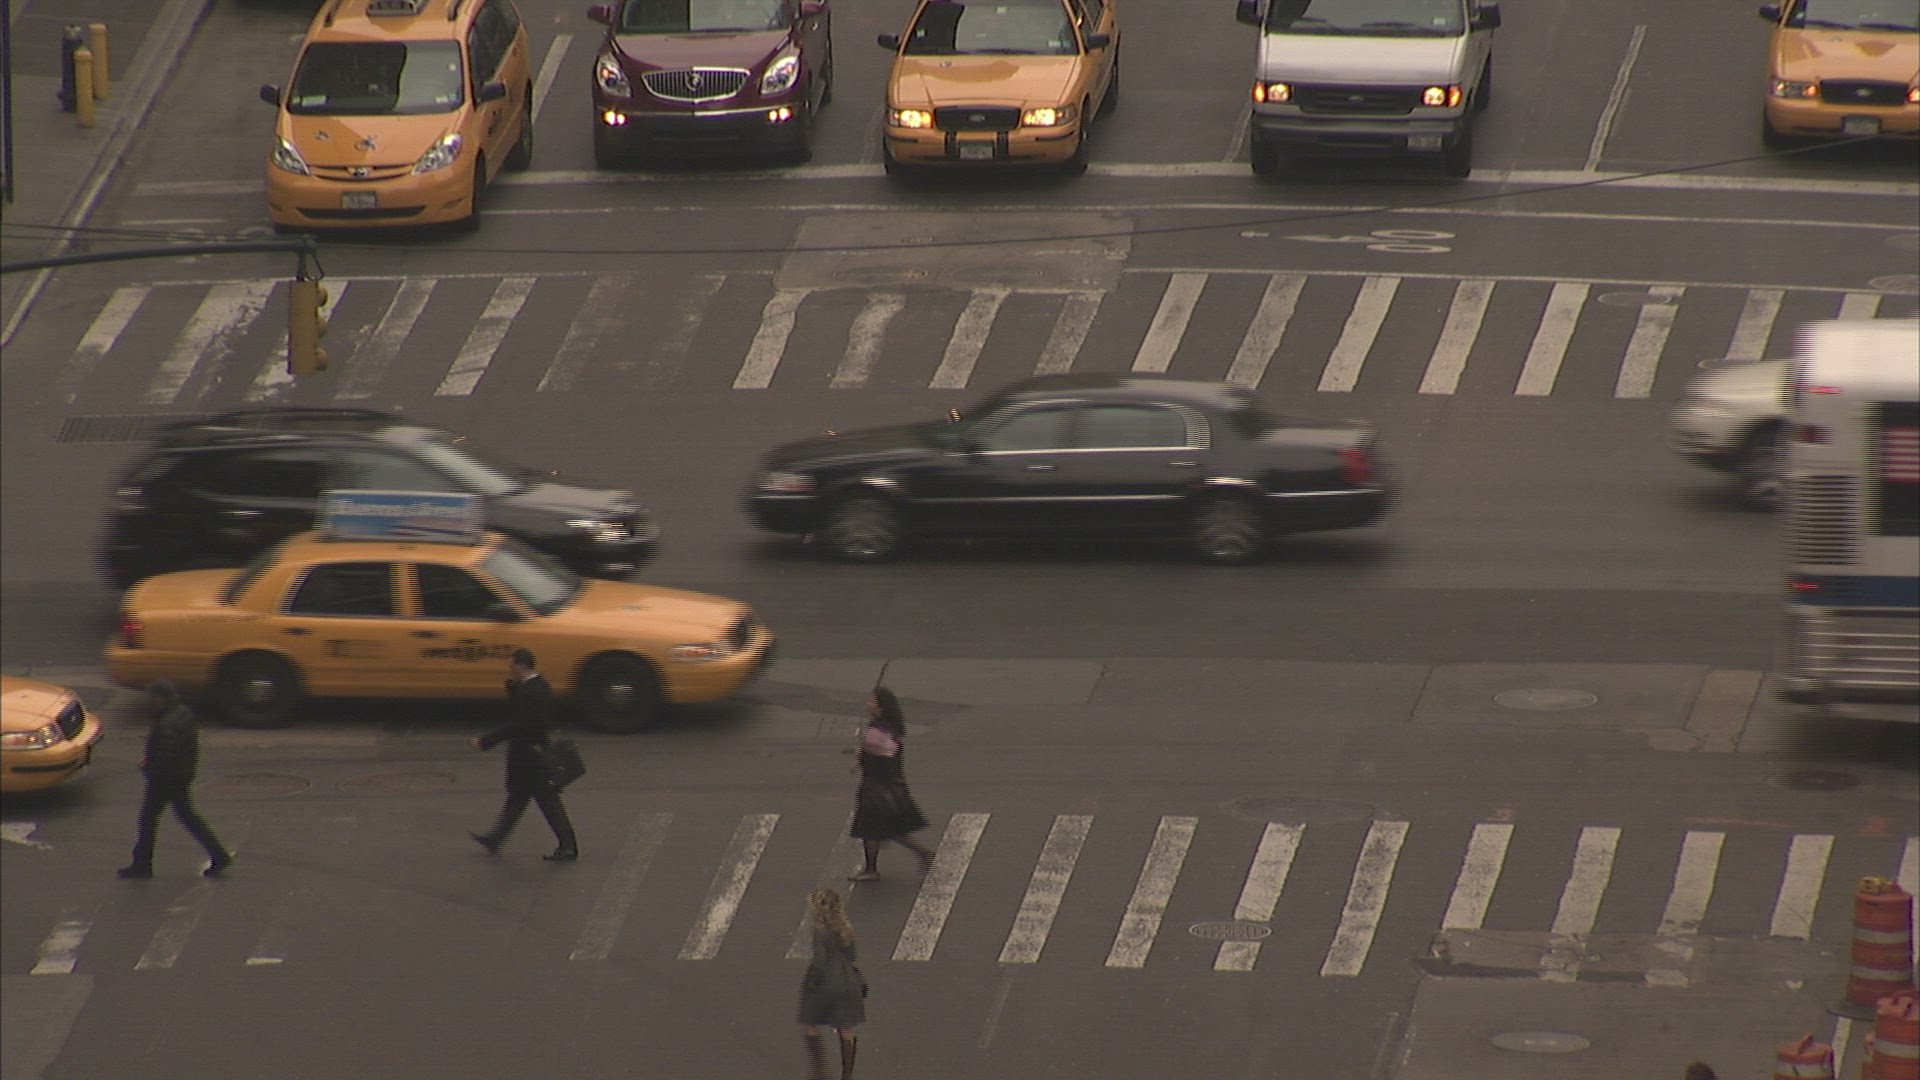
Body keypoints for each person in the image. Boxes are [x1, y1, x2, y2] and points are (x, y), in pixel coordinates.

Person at [469, 648, 578, 861]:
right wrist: (513, 689)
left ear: (520, 665)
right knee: (518, 798)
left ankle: (568, 846)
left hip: (529, 756)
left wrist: (486, 741)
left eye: (511, 666)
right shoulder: (538, 686)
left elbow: (518, 724)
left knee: (547, 801)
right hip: (530, 753)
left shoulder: (531, 692)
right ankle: (495, 838)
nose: (510, 670)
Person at [118, 681, 232, 879]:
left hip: (165, 779)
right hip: (181, 774)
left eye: (153, 698)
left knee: (149, 819)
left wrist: (149, 768)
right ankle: (218, 854)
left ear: (160, 698)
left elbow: (166, 754)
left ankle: (142, 864)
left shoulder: (166, 724)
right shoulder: (183, 713)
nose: (151, 702)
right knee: (187, 817)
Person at [848, 686, 934, 881]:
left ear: (881, 706)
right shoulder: (885, 727)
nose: (868, 703)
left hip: (879, 786)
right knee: (884, 828)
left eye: (872, 701)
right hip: (886, 784)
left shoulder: (879, 731)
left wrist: (862, 752)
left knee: (871, 828)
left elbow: (881, 754)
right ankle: (923, 854)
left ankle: (871, 870)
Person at [797, 887, 866, 1080]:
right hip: (847, 981)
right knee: (846, 1027)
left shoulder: (819, 932)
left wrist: (811, 982)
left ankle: (820, 1070)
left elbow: (820, 961)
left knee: (810, 1022)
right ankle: (847, 1074)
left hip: (826, 982)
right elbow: (852, 956)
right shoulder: (846, 929)